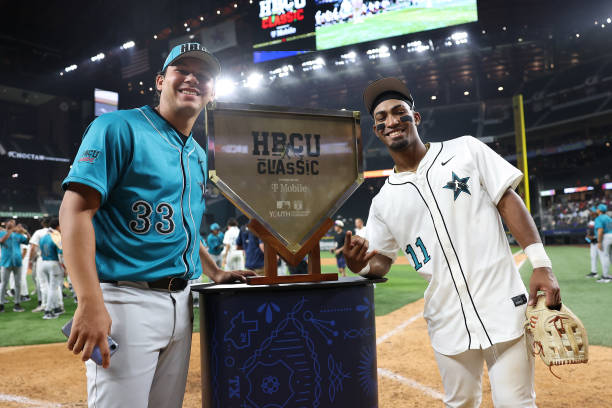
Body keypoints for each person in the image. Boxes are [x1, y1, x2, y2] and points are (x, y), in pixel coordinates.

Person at [343, 77, 562, 407]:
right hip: (446, 318)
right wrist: (359, 266)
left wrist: (541, 264)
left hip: (503, 304)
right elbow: (381, 261)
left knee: (516, 403)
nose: (391, 120)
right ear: (377, 131)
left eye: (399, 111)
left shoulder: (466, 150)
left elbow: (508, 198)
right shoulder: (383, 201)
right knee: (459, 403)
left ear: (415, 118)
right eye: (381, 118)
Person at [59, 42, 254, 408]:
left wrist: (214, 271)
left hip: (183, 302)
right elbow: (75, 212)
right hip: (126, 301)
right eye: (183, 70)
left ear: (212, 93)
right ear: (161, 81)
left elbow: (186, 228)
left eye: (204, 74)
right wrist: (89, 301)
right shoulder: (117, 127)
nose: (194, 78)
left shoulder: (197, 154)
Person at [0, 219, 30, 312]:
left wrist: (25, 232)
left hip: (17, 262)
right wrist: (9, 231)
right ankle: (1, 304)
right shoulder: (1, 233)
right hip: (6, 262)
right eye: (10, 223)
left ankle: (17, 303)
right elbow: (1, 241)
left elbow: (27, 240)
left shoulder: (18, 235)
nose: (12, 224)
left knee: (18, 283)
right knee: (4, 283)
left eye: (13, 223)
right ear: (6, 224)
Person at [38, 218, 64, 319]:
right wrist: (65, 267)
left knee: (50, 287)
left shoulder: (44, 236)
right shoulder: (56, 236)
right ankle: (48, 311)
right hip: (53, 263)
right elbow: (61, 254)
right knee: (54, 288)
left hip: (43, 263)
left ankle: (56, 307)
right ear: (58, 226)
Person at [29, 217, 52, 312]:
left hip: (41, 259)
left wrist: (31, 260)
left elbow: (33, 247)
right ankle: (57, 305)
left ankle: (43, 304)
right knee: (54, 285)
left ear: (43, 223)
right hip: (54, 259)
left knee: (42, 283)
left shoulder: (38, 232)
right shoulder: (56, 232)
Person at [594, 203, 612, 282]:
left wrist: (599, 242)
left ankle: (605, 277)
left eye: (597, 209)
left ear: (600, 210)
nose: (596, 210)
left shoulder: (599, 218)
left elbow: (600, 230)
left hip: (605, 237)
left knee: (604, 256)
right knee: (610, 257)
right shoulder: (609, 218)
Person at [585, 206, 602, 278]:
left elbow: (600, 230)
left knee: (604, 258)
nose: (590, 212)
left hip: (600, 241)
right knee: (593, 257)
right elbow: (590, 231)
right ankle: (594, 272)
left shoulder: (599, 219)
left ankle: (606, 275)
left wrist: (594, 236)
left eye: (591, 211)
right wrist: (589, 236)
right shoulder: (591, 219)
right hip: (593, 242)